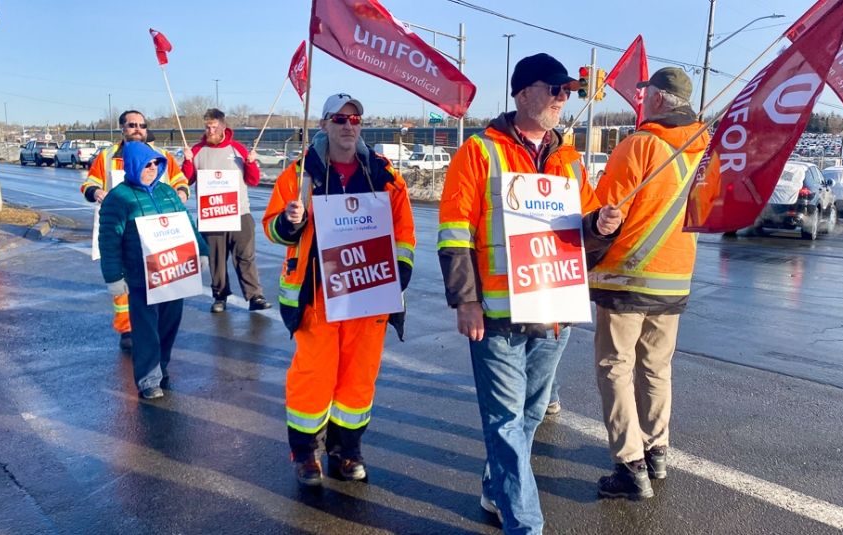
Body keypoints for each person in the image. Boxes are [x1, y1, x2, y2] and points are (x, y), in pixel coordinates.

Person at [438, 53, 622, 533]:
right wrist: (466, 301)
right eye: (555, 89)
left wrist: (600, 227)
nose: (564, 98)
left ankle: (494, 487)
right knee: (505, 423)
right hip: (496, 317)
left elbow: (581, 238)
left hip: (553, 313)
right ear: (523, 94)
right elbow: (455, 234)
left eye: (568, 92)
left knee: (530, 415)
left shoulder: (570, 160)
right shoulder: (479, 152)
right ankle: (526, 526)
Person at [263, 94, 415, 487]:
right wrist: (290, 219)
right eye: (340, 119)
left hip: (369, 295)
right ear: (324, 125)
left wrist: (397, 272)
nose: (349, 126)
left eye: (355, 120)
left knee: (358, 379)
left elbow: (405, 233)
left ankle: (346, 452)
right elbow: (272, 228)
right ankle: (305, 455)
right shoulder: (300, 174)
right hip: (317, 298)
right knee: (312, 378)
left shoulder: (385, 175)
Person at [588, 67, 710, 500]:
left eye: (645, 94)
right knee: (657, 367)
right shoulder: (704, 149)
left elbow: (605, 212)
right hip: (675, 278)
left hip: (627, 275)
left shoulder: (638, 146)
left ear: (657, 99)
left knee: (615, 368)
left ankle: (629, 465)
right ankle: (657, 451)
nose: (640, 100)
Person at [98, 141, 207, 399]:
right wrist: (114, 276)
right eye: (146, 164)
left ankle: (162, 366)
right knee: (146, 330)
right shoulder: (119, 198)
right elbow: (109, 240)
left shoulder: (167, 193)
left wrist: (199, 249)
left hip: (173, 272)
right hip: (141, 277)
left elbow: (186, 223)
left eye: (155, 163)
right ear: (134, 165)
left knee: (169, 324)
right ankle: (148, 379)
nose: (151, 168)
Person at [82, 110, 190, 352]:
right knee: (124, 285)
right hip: (124, 232)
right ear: (122, 128)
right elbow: (89, 183)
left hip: (157, 234)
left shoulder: (161, 155)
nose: (138, 129)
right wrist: (96, 192)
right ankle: (127, 329)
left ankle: (156, 329)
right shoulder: (108, 156)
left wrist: (181, 194)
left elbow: (180, 180)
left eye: (142, 125)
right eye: (132, 125)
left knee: (160, 280)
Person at [181, 108, 272, 313]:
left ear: (223, 127)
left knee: (245, 256)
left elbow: (253, 179)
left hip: (240, 212)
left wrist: (251, 163)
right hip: (211, 215)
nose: (210, 130)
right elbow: (186, 180)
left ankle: (255, 296)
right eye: (207, 127)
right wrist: (187, 161)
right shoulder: (196, 151)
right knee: (216, 258)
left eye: (214, 126)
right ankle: (220, 296)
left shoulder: (237, 149)